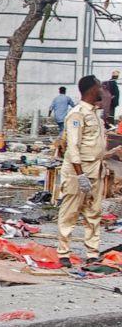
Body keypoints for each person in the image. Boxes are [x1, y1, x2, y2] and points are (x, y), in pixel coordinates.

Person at [58, 76, 108, 267]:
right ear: (92, 89)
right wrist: (80, 175)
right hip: (78, 171)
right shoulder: (77, 114)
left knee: (93, 212)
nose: (102, 90)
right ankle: (64, 253)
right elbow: (73, 146)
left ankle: (92, 252)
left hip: (96, 169)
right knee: (70, 211)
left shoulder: (95, 113)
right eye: (100, 87)